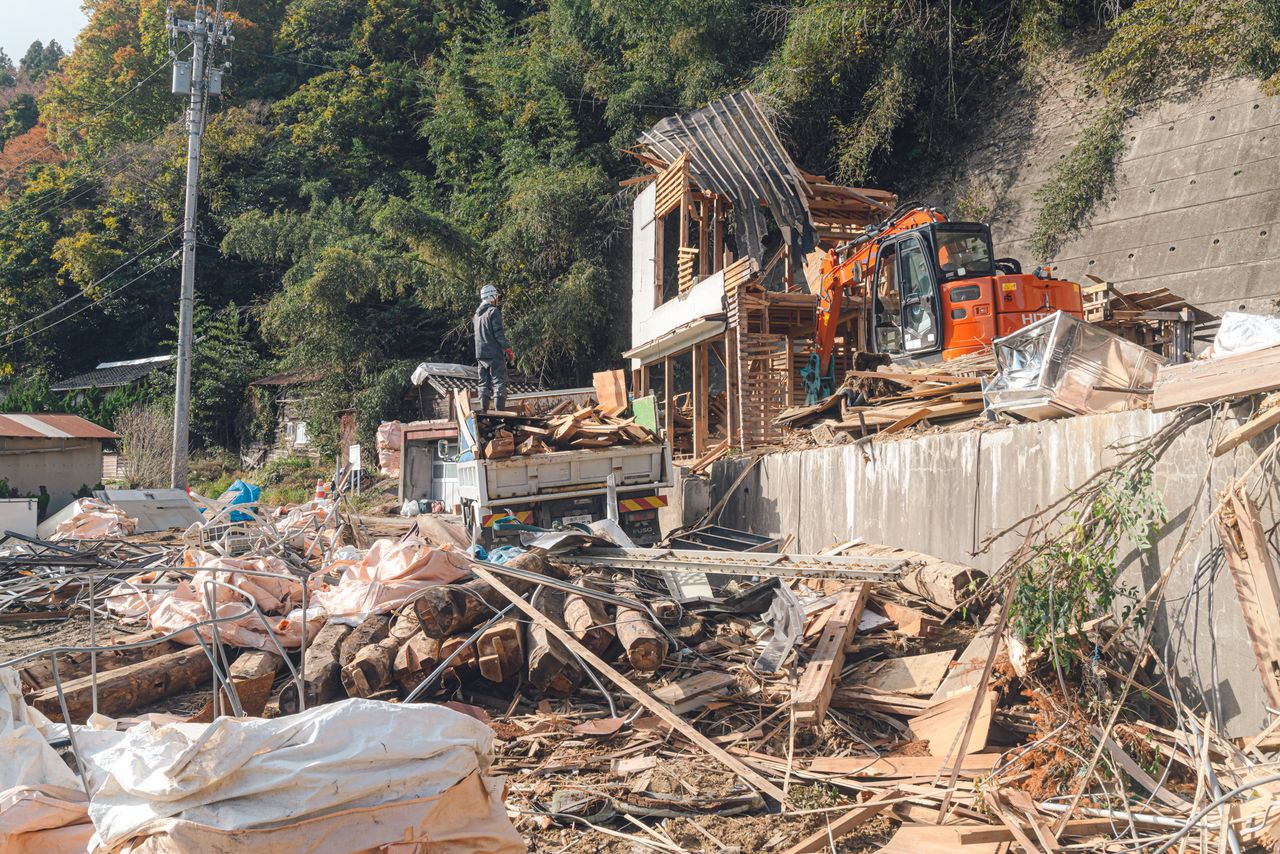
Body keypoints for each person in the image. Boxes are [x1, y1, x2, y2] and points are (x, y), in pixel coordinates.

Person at [473, 284, 514, 412]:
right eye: (496, 296)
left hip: (480, 354)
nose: (497, 299)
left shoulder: (476, 316)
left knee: (483, 383)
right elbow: (499, 334)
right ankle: (499, 414)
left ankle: (484, 413)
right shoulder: (493, 312)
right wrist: (508, 350)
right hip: (494, 353)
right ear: (491, 297)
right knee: (499, 382)